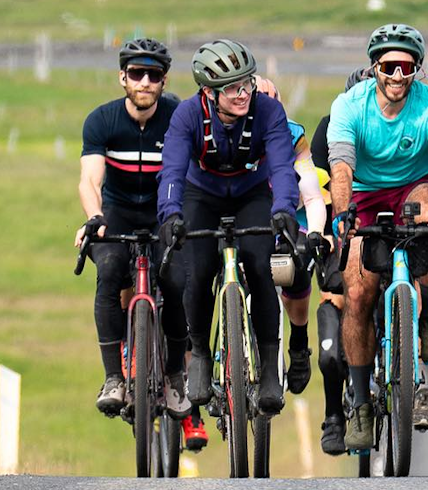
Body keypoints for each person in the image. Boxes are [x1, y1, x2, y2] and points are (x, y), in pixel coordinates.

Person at [327, 24, 428, 450]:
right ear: (375, 68)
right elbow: (342, 167)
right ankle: (362, 406)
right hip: (365, 192)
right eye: (389, 66)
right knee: (357, 292)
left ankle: (426, 318)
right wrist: (343, 214)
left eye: (406, 67)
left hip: (414, 185)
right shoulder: (350, 105)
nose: (397, 75)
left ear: (417, 70)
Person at [157, 40, 301, 415]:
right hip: (200, 193)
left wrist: (284, 209)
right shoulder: (187, 115)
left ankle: (269, 367)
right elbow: (171, 169)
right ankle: (201, 353)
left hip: (251, 193)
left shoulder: (268, 111)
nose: (243, 94)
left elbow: (284, 165)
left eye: (247, 84)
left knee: (260, 266)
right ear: (208, 92)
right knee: (199, 269)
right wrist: (170, 214)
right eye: (233, 88)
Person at [74, 38, 190, 420]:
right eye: (136, 74)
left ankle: (174, 377)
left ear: (164, 80)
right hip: (118, 215)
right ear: (122, 77)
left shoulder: (177, 116)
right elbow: (90, 180)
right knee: (108, 272)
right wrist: (95, 217)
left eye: (153, 75)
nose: (144, 82)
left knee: (174, 282)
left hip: (164, 213)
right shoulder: (101, 120)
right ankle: (113, 378)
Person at [310, 66, 370, 455]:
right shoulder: (328, 128)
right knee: (331, 354)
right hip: (341, 234)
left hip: (384, 230)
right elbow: (314, 189)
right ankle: (334, 417)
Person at [254, 75, 326, 395]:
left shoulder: (294, 134)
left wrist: (316, 233)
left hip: (288, 218)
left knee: (297, 264)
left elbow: (311, 194)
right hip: (247, 215)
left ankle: (298, 344)